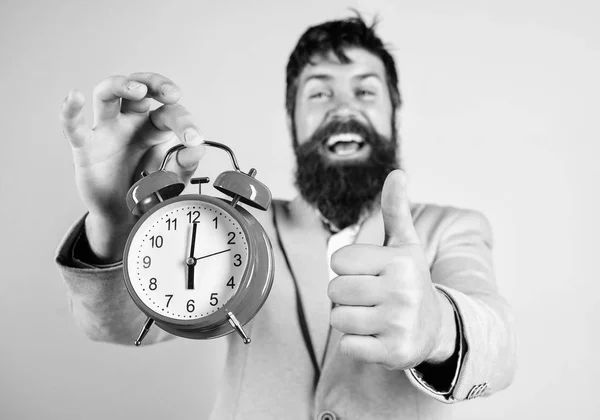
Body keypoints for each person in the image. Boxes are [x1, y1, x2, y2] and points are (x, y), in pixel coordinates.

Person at [56, 14, 516, 420]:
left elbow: (499, 349)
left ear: (394, 113)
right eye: (319, 93)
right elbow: (112, 325)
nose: (343, 107)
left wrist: (437, 327)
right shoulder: (230, 226)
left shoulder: (451, 228)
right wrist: (117, 217)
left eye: (365, 90)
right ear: (292, 119)